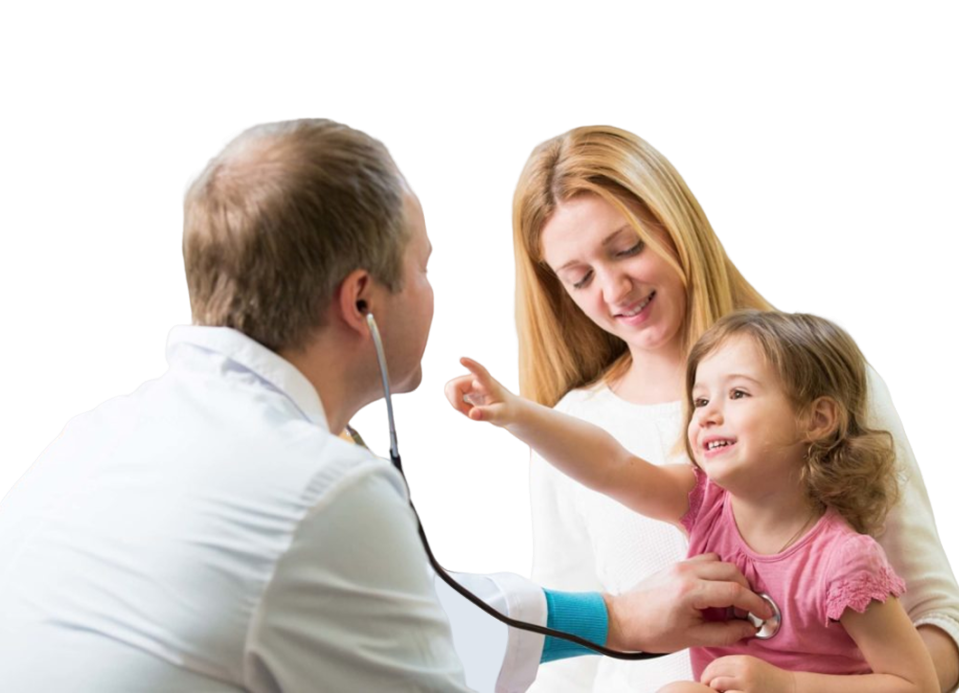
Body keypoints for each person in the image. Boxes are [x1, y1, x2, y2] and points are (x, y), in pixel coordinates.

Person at [0, 118, 775, 693]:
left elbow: (388, 608)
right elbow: (407, 644)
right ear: (362, 299)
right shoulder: (320, 486)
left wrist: (613, 617)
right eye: (424, 266)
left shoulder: (90, 437)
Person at [509, 125, 959, 693]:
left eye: (628, 248)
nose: (613, 291)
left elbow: (941, 616)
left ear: (676, 226)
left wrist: (804, 687)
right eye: (580, 278)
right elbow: (566, 660)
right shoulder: (570, 428)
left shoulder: (821, 380)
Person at [447, 310, 941, 692]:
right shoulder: (705, 505)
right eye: (701, 400)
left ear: (817, 419)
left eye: (738, 394)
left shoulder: (844, 561)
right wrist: (516, 414)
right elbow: (610, 465)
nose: (707, 415)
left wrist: (788, 686)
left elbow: (913, 682)